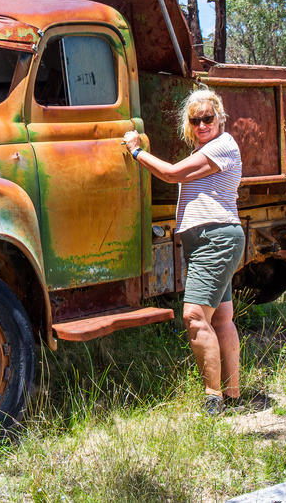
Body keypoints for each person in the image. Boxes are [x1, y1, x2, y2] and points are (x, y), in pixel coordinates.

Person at [122, 88, 245, 416]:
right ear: (189, 125)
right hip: (213, 238)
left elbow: (171, 173)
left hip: (214, 239)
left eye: (208, 117)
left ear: (220, 118)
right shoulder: (208, 147)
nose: (203, 124)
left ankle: (212, 397)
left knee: (194, 316)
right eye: (196, 120)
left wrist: (137, 152)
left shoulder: (222, 145)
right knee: (221, 317)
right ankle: (232, 393)